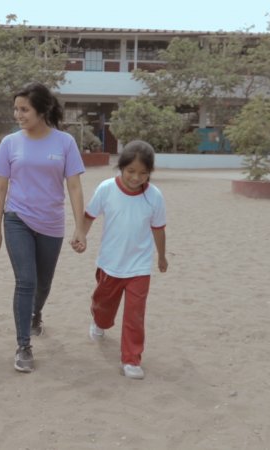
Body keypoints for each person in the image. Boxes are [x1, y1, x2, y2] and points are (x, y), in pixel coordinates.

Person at [0, 81, 88, 373]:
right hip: (17, 218)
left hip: (51, 223)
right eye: (16, 109)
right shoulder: (10, 143)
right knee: (26, 282)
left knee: (43, 285)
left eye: (24, 109)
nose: (18, 115)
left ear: (42, 109)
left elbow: (74, 186)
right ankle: (23, 346)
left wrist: (80, 228)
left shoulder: (65, 143)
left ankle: (36, 314)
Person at [83, 140, 168, 380]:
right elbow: (89, 216)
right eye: (131, 171)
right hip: (110, 263)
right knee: (103, 307)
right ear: (121, 167)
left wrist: (161, 256)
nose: (135, 177)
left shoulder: (155, 197)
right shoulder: (106, 189)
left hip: (139, 267)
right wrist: (81, 235)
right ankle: (99, 322)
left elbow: (159, 229)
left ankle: (131, 359)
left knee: (134, 315)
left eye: (143, 173)